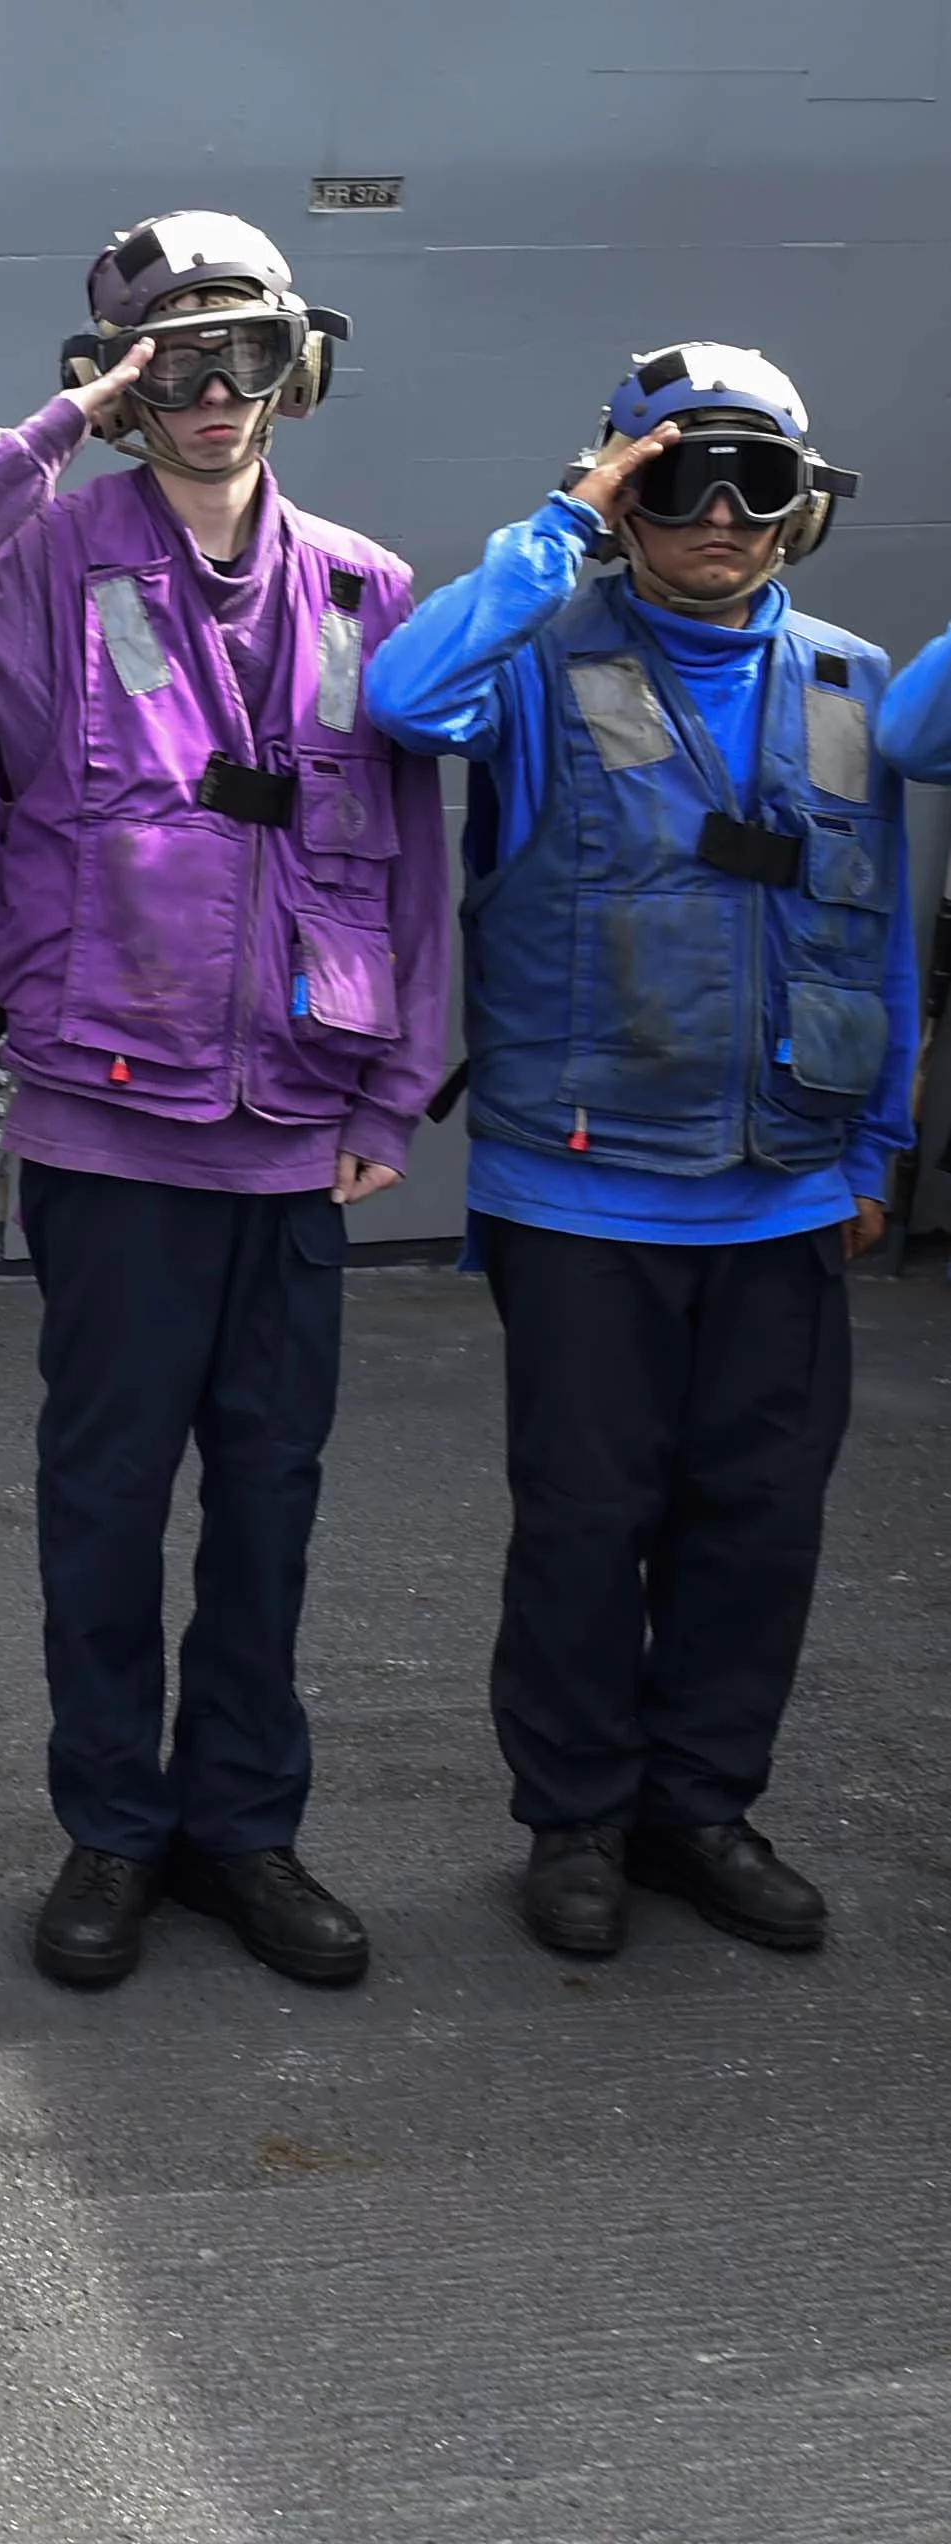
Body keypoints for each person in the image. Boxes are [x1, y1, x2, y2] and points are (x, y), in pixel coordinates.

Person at [0, 212, 444, 1994]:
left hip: (295, 1130)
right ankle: (109, 1828)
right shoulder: (35, 565)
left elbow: (407, 860)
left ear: (294, 369)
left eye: (247, 355)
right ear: (121, 374)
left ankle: (244, 1827)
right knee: (102, 1500)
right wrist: (38, 437)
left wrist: (394, 1088)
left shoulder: (361, 589)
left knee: (269, 1497)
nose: (217, 393)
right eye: (175, 361)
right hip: (107, 1127)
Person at [365, 344, 951, 1958]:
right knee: (582, 1516)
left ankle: (703, 1805)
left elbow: (879, 940)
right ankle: (575, 1817)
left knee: (758, 1520)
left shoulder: (849, 682)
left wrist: (878, 1148)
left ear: (802, 508)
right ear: (624, 489)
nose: (718, 514)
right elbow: (406, 695)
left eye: (756, 481)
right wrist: (569, 516)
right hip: (583, 1181)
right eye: (677, 476)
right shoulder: (543, 662)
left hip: (787, 1185)